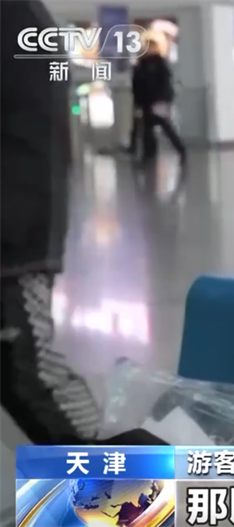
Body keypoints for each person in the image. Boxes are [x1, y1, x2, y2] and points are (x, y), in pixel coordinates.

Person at [0, 0, 103, 444]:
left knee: (25, 370)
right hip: (19, 222)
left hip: (12, 235)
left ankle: (130, 487)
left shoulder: (14, 17)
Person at [133, 40, 186, 163]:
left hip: (155, 101)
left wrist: (162, 98)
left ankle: (153, 153)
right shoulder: (146, 65)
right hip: (148, 101)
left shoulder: (155, 65)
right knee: (151, 128)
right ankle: (151, 153)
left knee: (161, 126)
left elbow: (161, 84)